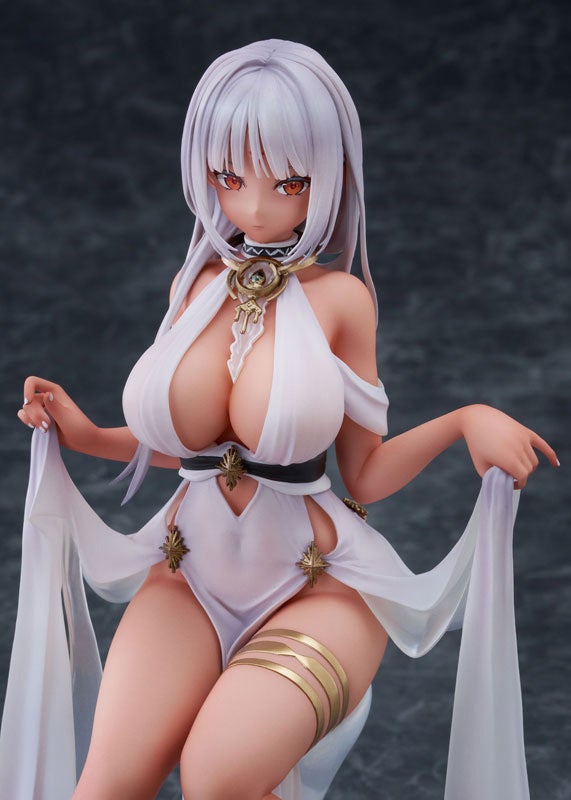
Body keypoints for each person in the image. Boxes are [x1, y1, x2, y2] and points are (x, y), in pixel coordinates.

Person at [1, 39, 557, 800]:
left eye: (287, 182)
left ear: (327, 178)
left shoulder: (341, 301)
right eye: (229, 179)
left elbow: (365, 472)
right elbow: (188, 447)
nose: (256, 208)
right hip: (186, 575)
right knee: (105, 787)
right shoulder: (193, 285)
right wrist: (88, 434)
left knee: (219, 780)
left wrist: (465, 420)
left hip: (316, 585)